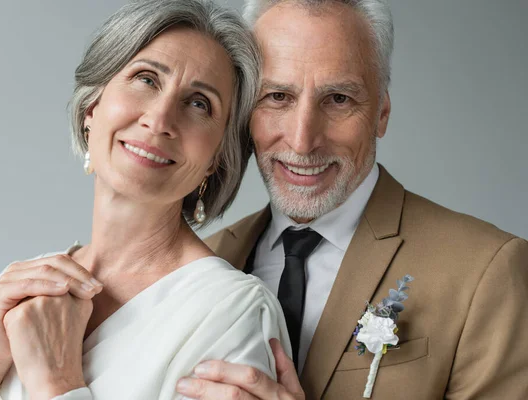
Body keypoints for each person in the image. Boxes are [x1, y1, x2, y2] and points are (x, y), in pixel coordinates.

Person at [0, 0, 290, 399]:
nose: (159, 119)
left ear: (215, 158)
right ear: (92, 107)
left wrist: (58, 384)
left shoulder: (232, 312)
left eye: (198, 103)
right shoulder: (17, 288)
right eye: (146, 79)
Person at [171, 0, 528, 399]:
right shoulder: (207, 264)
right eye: (276, 96)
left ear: (381, 113)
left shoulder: (487, 271)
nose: (302, 141)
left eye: (338, 99)